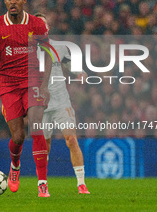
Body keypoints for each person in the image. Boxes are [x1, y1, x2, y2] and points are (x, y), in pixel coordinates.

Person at [0, 0, 52, 197]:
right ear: (5, 1)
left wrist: (44, 85)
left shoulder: (36, 24)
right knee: (18, 137)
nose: (13, 2)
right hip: (8, 84)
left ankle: (42, 184)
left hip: (33, 81)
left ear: (24, 0)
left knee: (36, 127)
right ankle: (15, 166)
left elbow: (47, 55)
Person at [35, 13, 90, 194]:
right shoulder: (26, 51)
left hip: (61, 102)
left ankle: (81, 184)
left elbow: (70, 64)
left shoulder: (59, 47)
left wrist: (80, 73)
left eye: (44, 24)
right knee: (45, 146)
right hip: (40, 106)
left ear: (48, 28)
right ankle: (43, 184)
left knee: (71, 139)